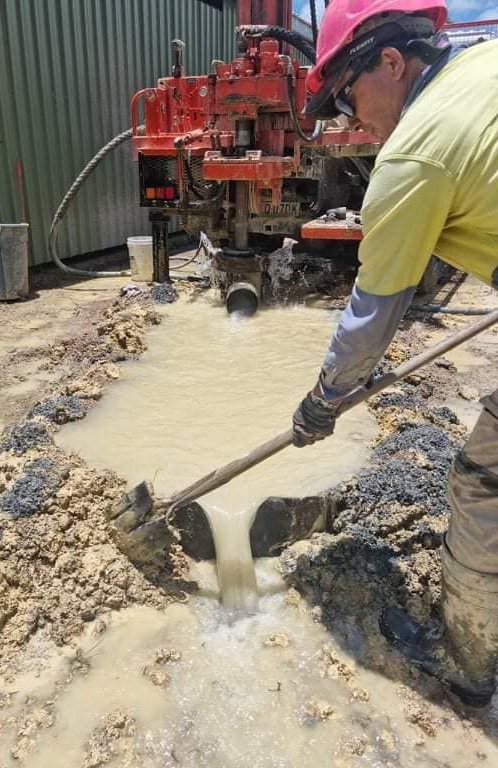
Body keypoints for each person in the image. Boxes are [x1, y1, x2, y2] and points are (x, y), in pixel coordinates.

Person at [294, 0, 498, 707]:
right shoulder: (483, 67)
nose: (351, 119)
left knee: (482, 483)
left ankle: (468, 662)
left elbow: (373, 316)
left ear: (390, 62)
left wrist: (322, 401)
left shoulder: (414, 154)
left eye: (349, 96)